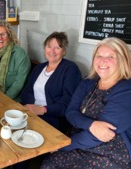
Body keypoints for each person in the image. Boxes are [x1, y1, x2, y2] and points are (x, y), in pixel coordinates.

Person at [41, 37, 131, 168]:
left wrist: (65, 145)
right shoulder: (88, 82)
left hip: (109, 150)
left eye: (111, 56)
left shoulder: (126, 90)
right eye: (99, 55)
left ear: (123, 61)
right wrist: (91, 124)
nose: (103, 61)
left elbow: (101, 135)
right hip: (79, 140)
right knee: (48, 164)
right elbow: (70, 112)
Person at [21, 32, 82, 133]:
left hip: (53, 118)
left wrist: (42, 110)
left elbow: (68, 103)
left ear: (64, 51)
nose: (52, 51)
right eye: (49, 46)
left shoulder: (70, 69)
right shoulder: (39, 68)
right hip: (31, 112)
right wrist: (30, 108)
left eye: (57, 47)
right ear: (45, 48)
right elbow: (27, 91)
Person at [0, 20, 30, 102]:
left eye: (3, 34)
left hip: (15, 100)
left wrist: (3, 99)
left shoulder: (19, 54)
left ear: (10, 36)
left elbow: (18, 83)